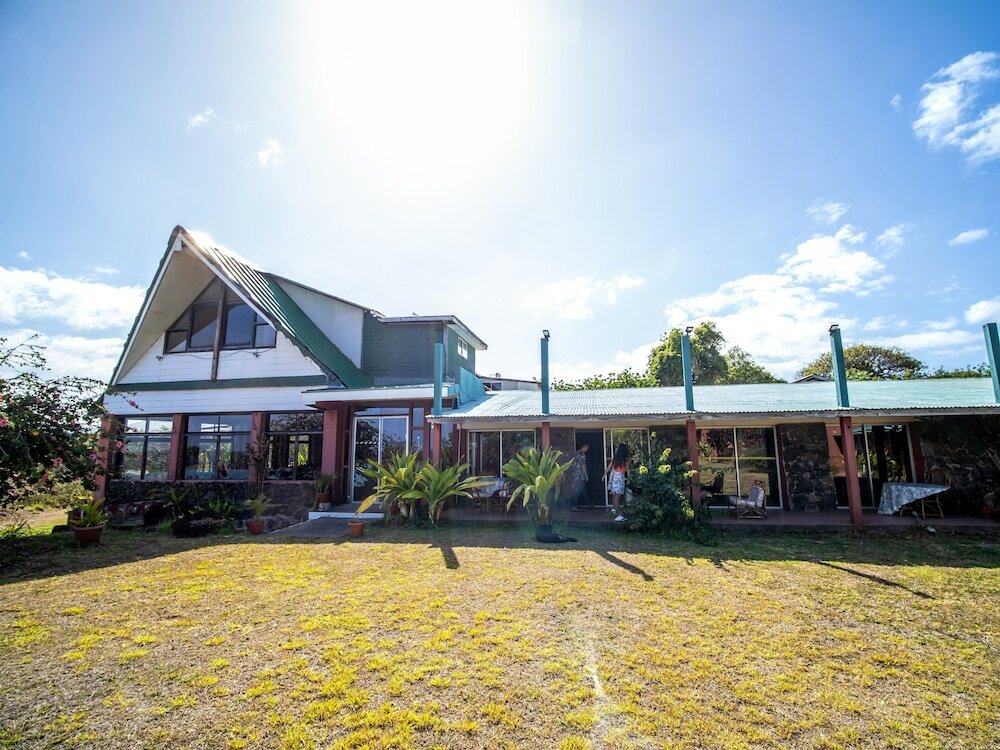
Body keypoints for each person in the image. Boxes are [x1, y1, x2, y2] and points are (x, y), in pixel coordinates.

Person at [603, 443, 629, 522]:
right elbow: (627, 470)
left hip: (613, 477)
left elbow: (609, 467)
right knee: (617, 496)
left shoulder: (615, 458)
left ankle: (614, 510)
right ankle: (618, 515)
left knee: (615, 496)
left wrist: (604, 475)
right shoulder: (625, 460)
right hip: (619, 478)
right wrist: (628, 479)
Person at [566, 444, 590, 512]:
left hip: (575, 475)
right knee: (578, 490)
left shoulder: (576, 453)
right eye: (587, 448)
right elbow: (583, 465)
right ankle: (573, 505)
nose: (587, 450)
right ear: (584, 447)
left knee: (583, 490)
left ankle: (589, 503)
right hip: (580, 475)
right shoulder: (582, 455)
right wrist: (586, 475)